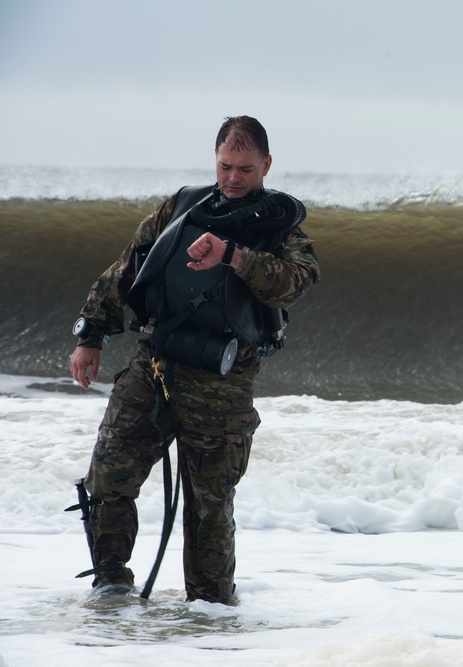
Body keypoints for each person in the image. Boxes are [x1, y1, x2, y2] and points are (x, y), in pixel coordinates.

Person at [69, 116, 320, 604]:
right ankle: (111, 585)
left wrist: (235, 257)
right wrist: (91, 333)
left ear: (266, 165)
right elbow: (127, 266)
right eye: (225, 166)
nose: (233, 178)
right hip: (156, 365)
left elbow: (295, 282)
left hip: (221, 382)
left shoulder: (281, 226)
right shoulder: (183, 206)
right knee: (108, 473)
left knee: (209, 507)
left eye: (245, 168)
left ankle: (210, 621)